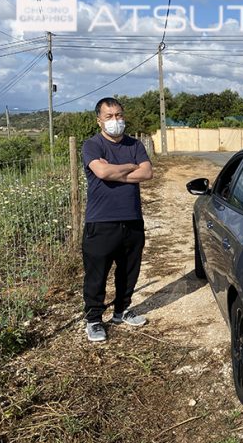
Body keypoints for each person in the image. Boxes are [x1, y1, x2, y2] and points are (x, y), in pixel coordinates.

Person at [81, 97, 153, 342]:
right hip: (101, 221)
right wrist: (130, 167)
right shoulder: (92, 145)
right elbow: (101, 171)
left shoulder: (135, 144)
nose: (115, 120)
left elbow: (147, 173)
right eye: (109, 116)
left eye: (119, 115)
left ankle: (121, 311)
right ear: (99, 120)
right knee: (97, 273)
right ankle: (93, 319)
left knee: (129, 270)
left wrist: (115, 172)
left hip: (132, 218)